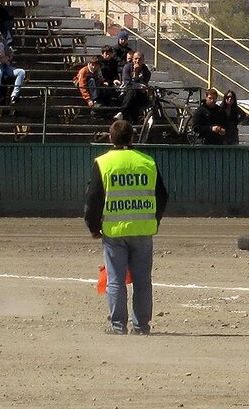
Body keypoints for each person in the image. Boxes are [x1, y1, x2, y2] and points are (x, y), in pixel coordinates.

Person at [84, 119, 169, 335]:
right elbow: (162, 196)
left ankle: (118, 325)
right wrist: (154, 219)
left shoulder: (103, 162)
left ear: (111, 138)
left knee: (116, 280)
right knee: (142, 282)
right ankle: (141, 326)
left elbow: (93, 198)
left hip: (114, 231)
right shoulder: (147, 161)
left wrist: (93, 226)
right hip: (142, 230)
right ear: (132, 137)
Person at [116, 51, 152, 122]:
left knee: (134, 92)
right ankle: (133, 123)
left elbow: (143, 85)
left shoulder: (146, 72)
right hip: (128, 93)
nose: (137, 61)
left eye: (139, 59)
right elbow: (127, 83)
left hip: (140, 94)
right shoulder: (127, 67)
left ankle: (122, 112)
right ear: (132, 59)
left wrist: (136, 74)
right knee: (132, 92)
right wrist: (137, 83)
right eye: (135, 59)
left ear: (143, 60)